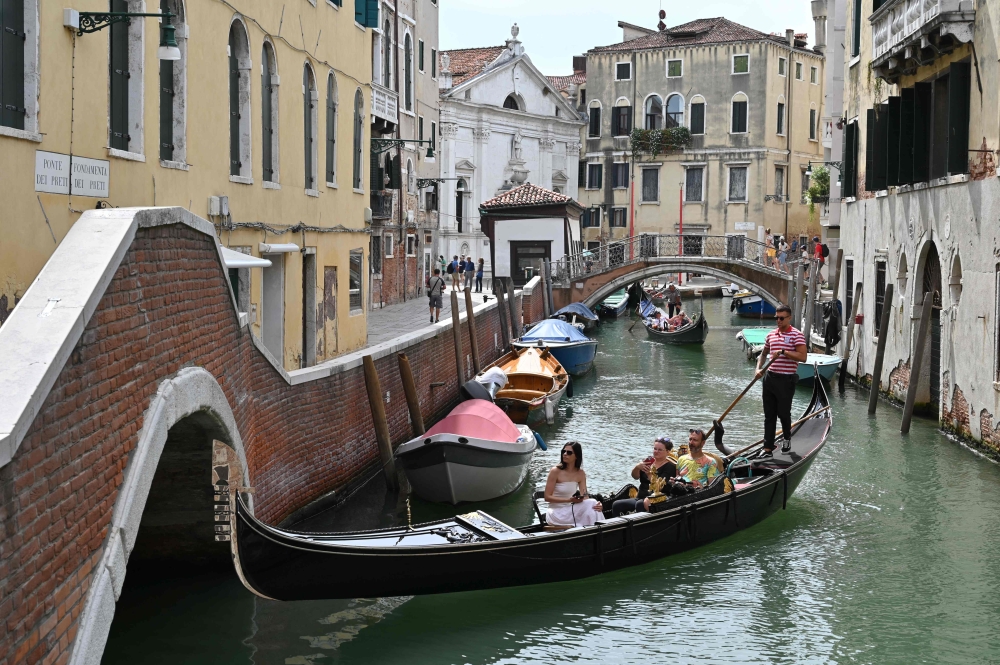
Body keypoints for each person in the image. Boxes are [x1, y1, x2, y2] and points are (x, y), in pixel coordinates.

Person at [755, 304, 807, 454]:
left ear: (789, 318)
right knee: (769, 414)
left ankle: (787, 438)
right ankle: (767, 447)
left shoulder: (797, 335)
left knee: (783, 414)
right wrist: (758, 369)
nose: (778, 320)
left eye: (781, 318)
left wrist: (784, 352)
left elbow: (803, 357)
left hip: (786, 380)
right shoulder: (771, 335)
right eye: (776, 318)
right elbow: (763, 354)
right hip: (770, 378)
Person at [612, 437, 677, 517]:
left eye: (660, 450)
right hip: (640, 497)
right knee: (616, 504)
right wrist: (637, 467)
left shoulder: (670, 466)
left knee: (640, 504)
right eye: (655, 449)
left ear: (667, 452)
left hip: (656, 499)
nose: (656, 451)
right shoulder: (648, 462)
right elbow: (635, 476)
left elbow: (660, 487)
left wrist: (649, 474)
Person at [544, 442, 606, 527]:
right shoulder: (555, 471)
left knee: (593, 504)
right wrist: (569, 500)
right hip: (555, 513)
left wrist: (598, 505)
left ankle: (595, 529)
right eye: (563, 451)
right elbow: (547, 497)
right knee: (592, 503)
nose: (565, 454)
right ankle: (600, 529)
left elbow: (585, 497)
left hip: (570, 511)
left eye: (569, 452)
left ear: (576, 456)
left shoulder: (580, 473)